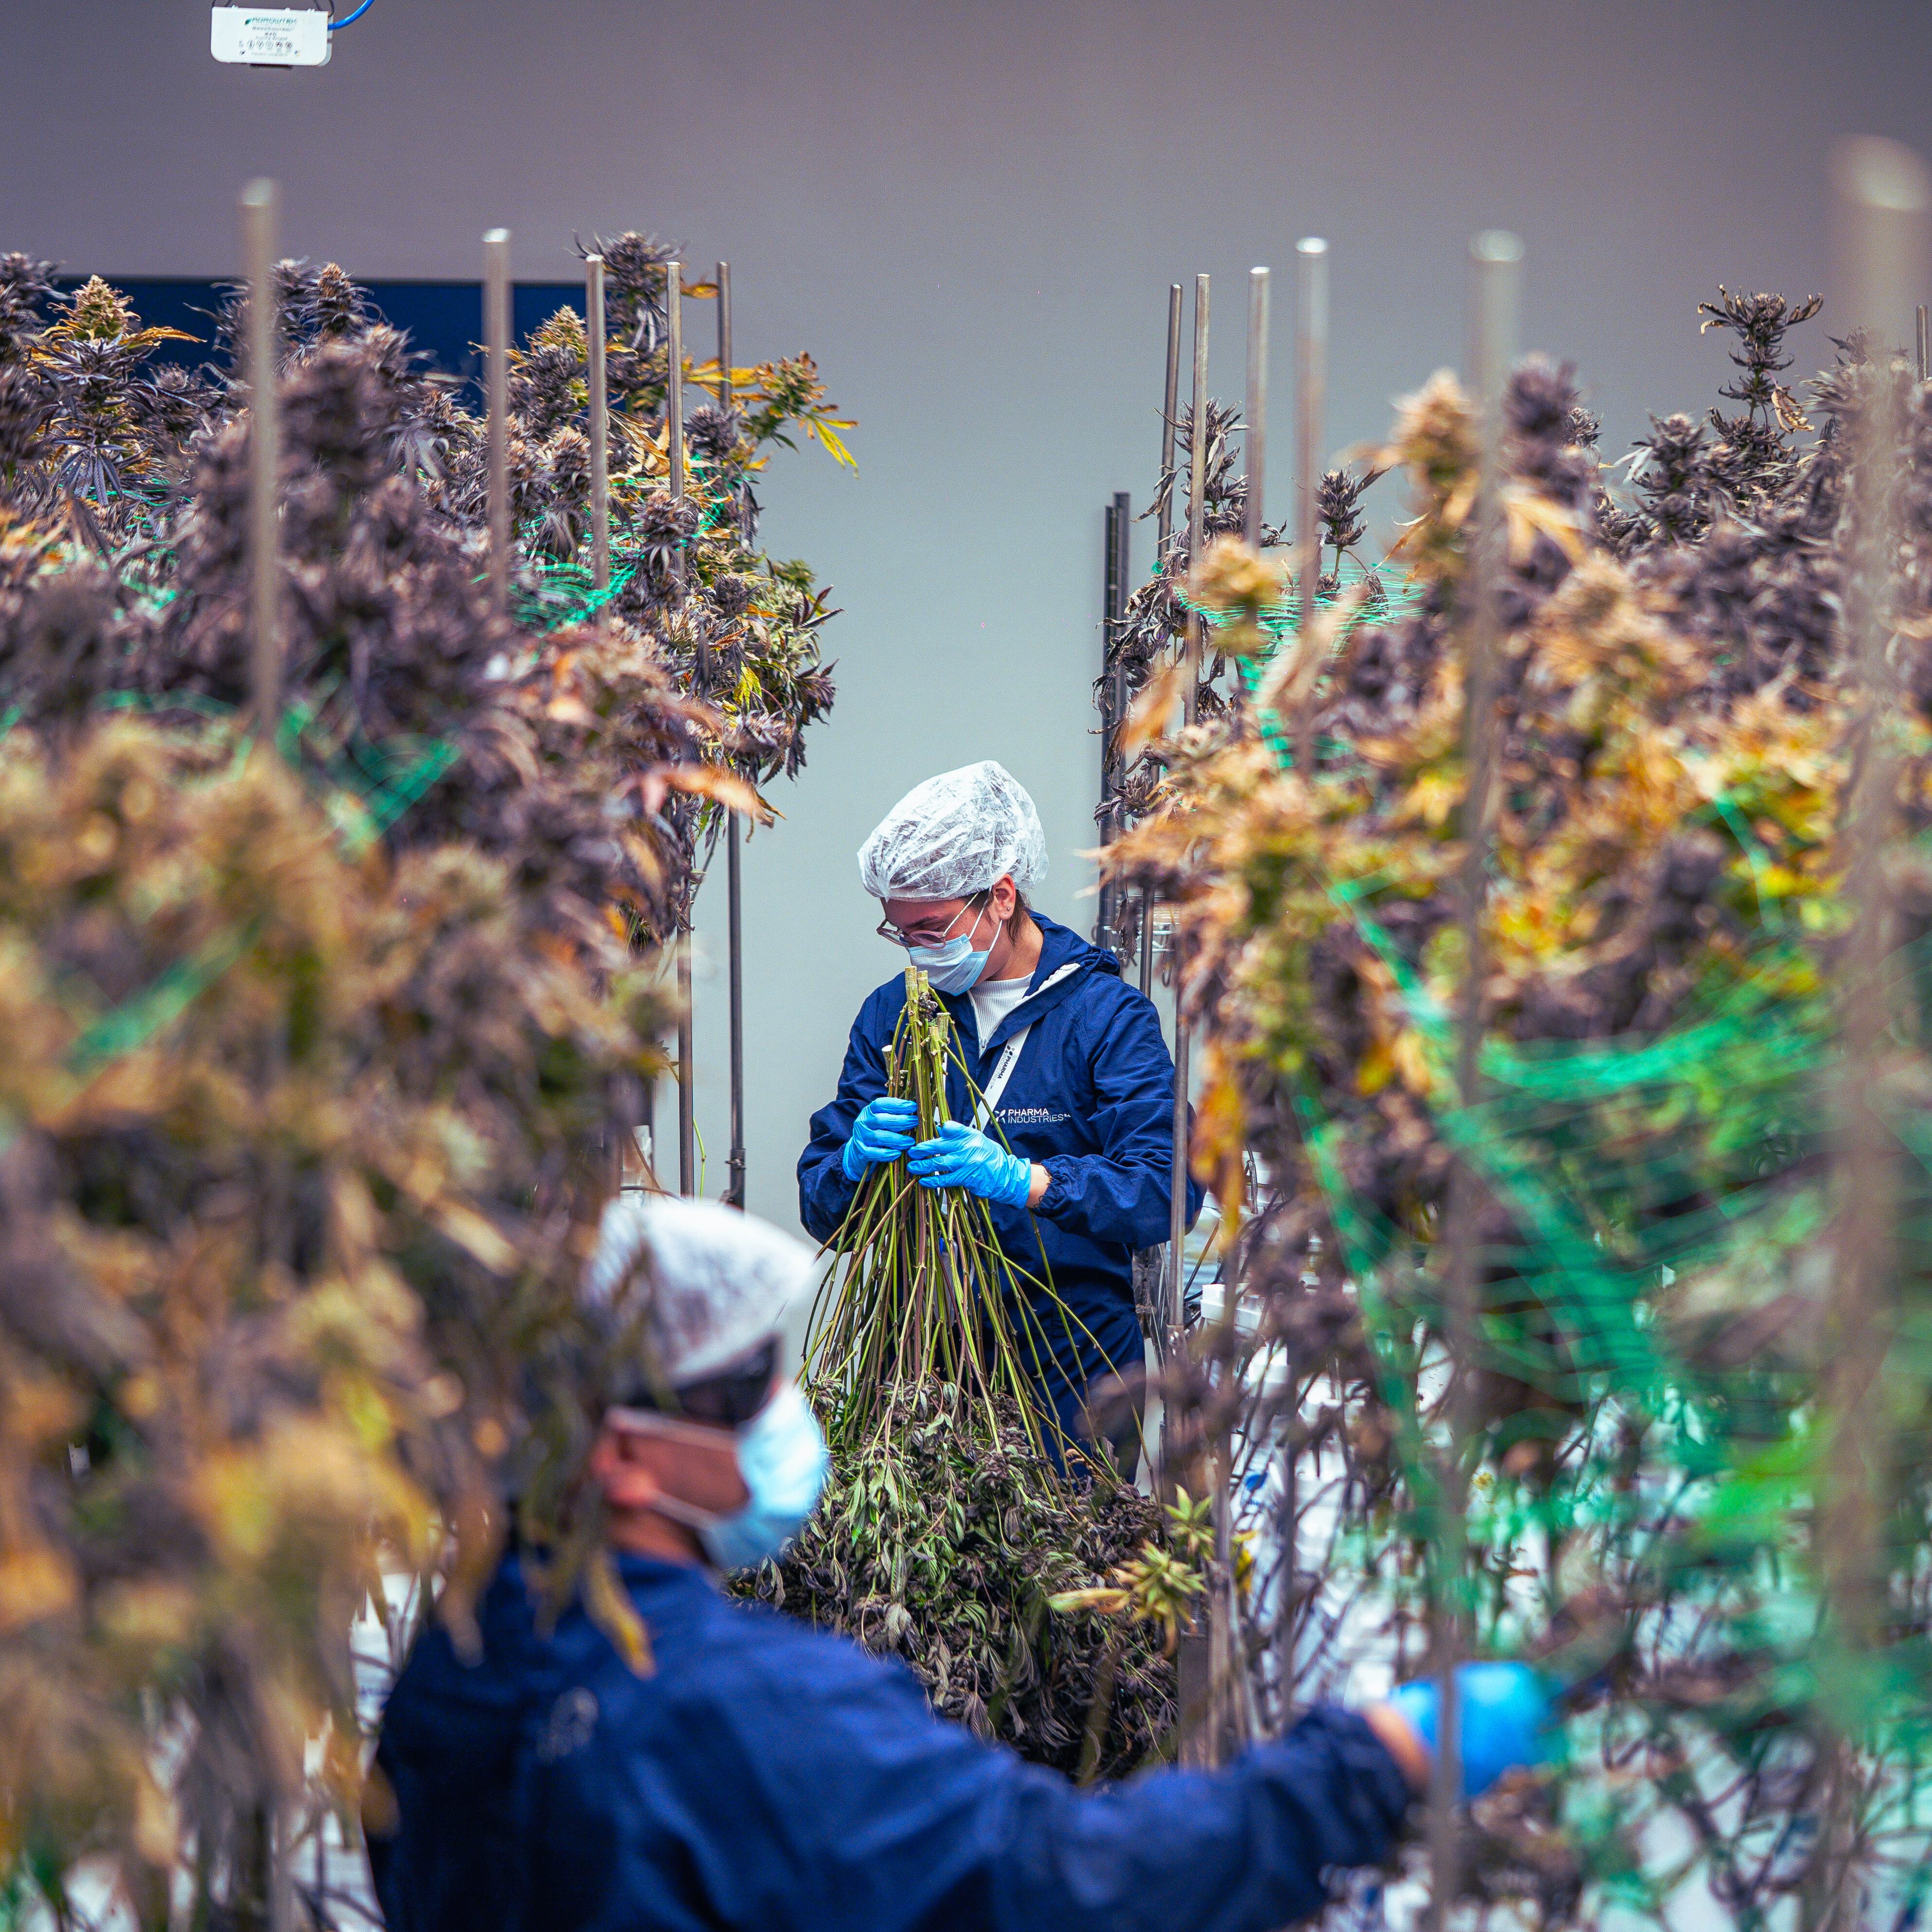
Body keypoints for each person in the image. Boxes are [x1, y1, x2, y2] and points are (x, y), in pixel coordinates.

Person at [367, 1198, 1554, 1932]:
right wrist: (1371, 1762)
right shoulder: (750, 1711)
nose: (785, 1405)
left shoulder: (451, 1671)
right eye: (742, 1390)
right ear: (624, 1458)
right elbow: (1058, 1888)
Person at [797, 760, 1200, 1473]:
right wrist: (849, 1166)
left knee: (1065, 1558)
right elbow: (825, 1214)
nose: (918, 951)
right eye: (901, 934)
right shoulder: (894, 1015)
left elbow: (1168, 1191)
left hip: (1070, 1360)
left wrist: (1029, 1183)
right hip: (925, 1353)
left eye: (931, 928)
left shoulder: (1103, 1017)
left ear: (1001, 897)